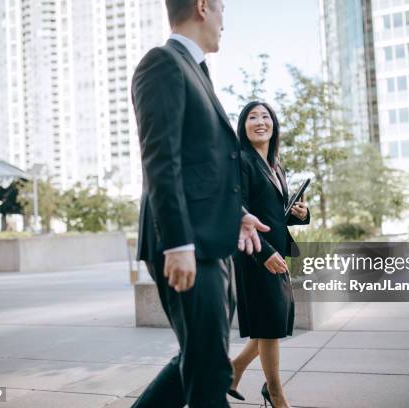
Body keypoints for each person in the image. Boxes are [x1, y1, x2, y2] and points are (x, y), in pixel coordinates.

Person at [131, 1, 269, 407]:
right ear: (203, 6)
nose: (225, 23)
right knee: (210, 370)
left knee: (198, 359)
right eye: (223, 10)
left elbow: (200, 165)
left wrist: (237, 214)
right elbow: (161, 160)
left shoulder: (196, 70)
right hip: (186, 243)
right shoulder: (162, 63)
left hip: (209, 240)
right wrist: (177, 244)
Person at [229, 102, 310, 408]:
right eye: (252, 117)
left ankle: (234, 369)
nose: (260, 122)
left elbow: (275, 213)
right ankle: (275, 394)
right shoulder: (242, 161)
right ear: (243, 125)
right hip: (256, 253)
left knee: (271, 322)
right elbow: (240, 214)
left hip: (275, 252)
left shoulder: (276, 164)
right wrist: (264, 252)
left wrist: (299, 213)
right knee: (270, 326)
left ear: (274, 124)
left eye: (265, 117)